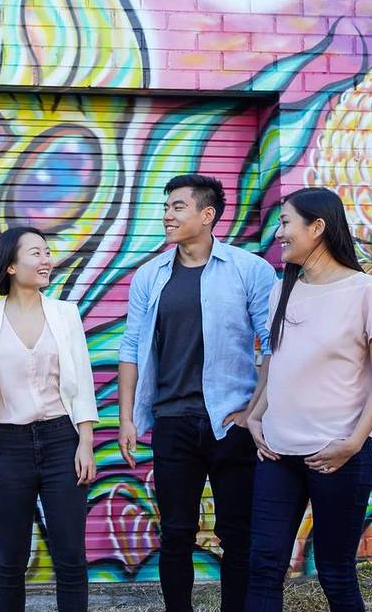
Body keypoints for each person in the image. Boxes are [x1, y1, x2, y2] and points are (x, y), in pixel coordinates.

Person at [117, 174, 277, 612]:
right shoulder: (150, 276)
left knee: (237, 534)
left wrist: (253, 411)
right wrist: (127, 416)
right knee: (175, 533)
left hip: (231, 423)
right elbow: (131, 346)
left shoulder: (250, 270)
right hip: (173, 423)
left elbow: (273, 344)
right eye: (166, 207)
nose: (167, 215)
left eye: (177, 207)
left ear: (207, 216)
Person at [244, 187, 372, 612]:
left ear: (317, 227)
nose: (279, 233)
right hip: (277, 454)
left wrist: (352, 443)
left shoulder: (366, 291)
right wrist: (256, 416)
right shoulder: (282, 290)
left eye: (286, 223)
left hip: (338, 456)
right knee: (262, 566)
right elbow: (276, 360)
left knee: (334, 571)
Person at [0, 226, 99, 612]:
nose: (46, 260)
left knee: (70, 554)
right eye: (36, 253)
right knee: (10, 558)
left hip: (61, 441)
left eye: (48, 252)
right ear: (10, 265)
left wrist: (85, 442)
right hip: (8, 446)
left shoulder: (65, 314)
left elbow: (82, 381)